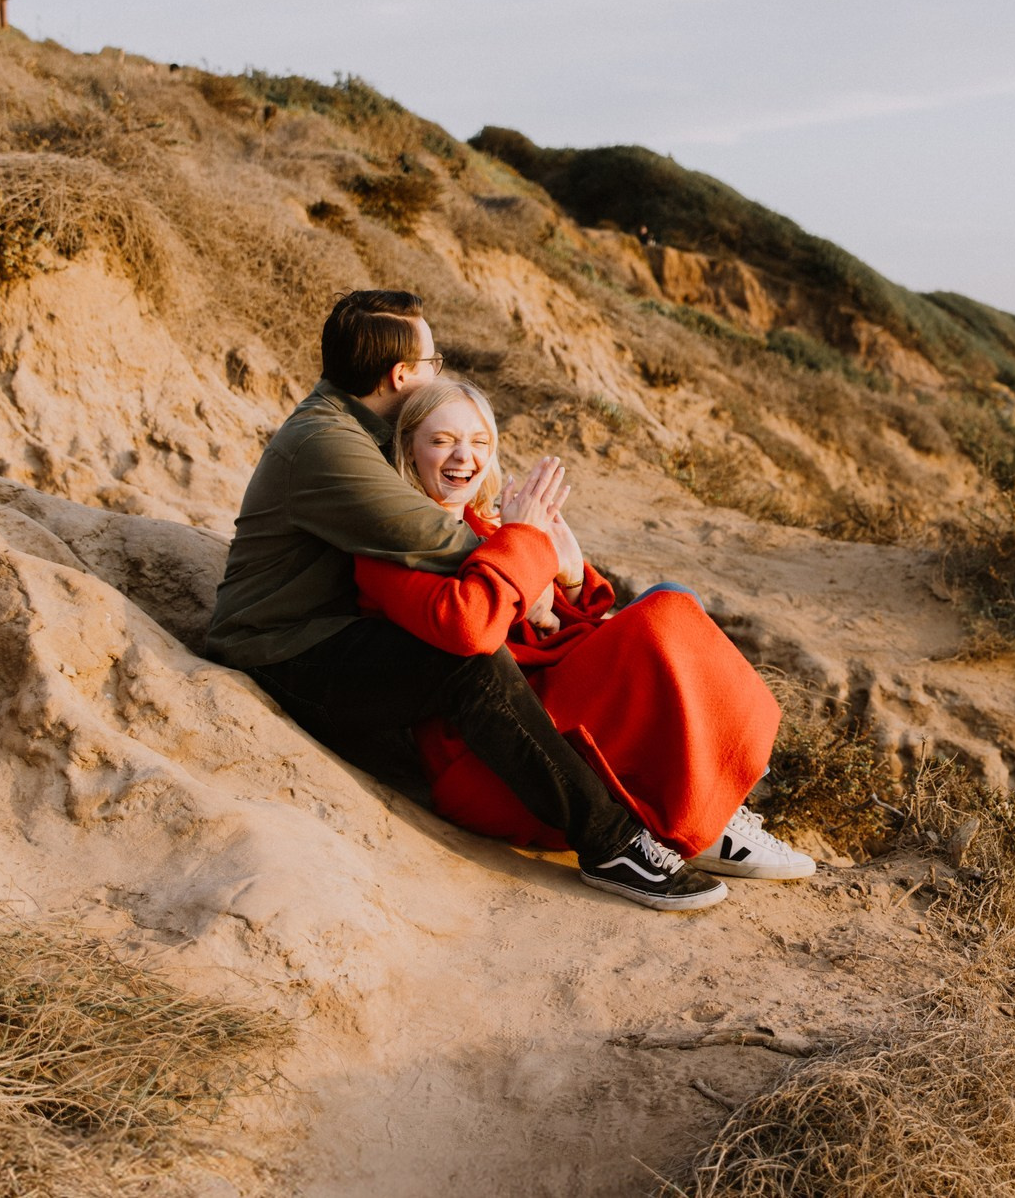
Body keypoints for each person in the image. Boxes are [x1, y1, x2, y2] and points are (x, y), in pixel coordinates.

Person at [204, 289, 727, 912]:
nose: (439, 373)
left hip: (335, 630)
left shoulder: (359, 429)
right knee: (468, 663)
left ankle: (687, 805)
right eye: (434, 362)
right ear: (402, 374)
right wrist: (530, 555)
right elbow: (438, 536)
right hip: (282, 649)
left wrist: (549, 570)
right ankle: (612, 845)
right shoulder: (325, 442)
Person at [362, 378, 813, 882]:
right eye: (442, 440)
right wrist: (525, 544)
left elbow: (560, 623)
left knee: (674, 596)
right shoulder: (390, 541)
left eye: (479, 442)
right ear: (407, 448)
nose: (464, 456)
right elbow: (474, 629)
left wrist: (572, 581)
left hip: (546, 695)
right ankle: (702, 823)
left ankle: (707, 809)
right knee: (664, 612)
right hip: (496, 753)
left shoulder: (484, 521)